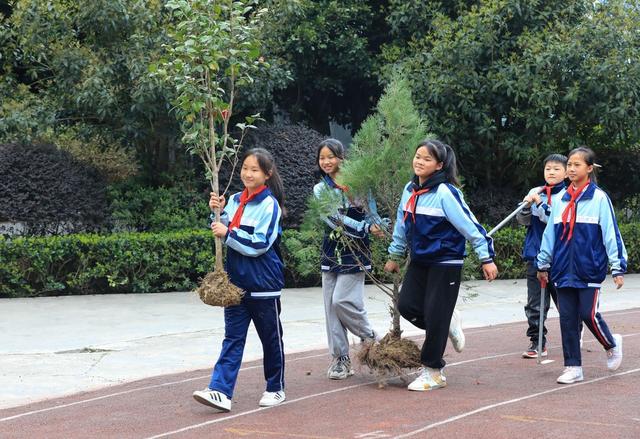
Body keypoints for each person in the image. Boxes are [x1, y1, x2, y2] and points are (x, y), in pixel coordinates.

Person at [384, 139, 498, 392]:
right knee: (407, 306)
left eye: (426, 159)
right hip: (420, 260)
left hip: (446, 261)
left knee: (436, 315)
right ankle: (448, 323)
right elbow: (402, 226)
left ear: (439, 165)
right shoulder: (410, 189)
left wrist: (486, 258)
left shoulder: (446, 193)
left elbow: (471, 226)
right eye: (417, 156)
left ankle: (434, 371)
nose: (419, 161)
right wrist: (395, 254)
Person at [193, 148, 286, 411]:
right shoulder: (234, 199)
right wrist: (217, 213)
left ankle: (275, 387)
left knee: (271, 338)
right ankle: (220, 390)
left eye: (254, 169)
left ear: (267, 175)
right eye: (245, 168)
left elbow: (259, 244)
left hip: (263, 286)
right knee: (232, 338)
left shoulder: (270, 206)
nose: (248, 173)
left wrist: (227, 232)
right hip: (235, 286)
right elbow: (221, 227)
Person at [537, 146, 627, 384]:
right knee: (567, 318)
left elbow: (611, 233)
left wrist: (617, 267)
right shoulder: (560, 200)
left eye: (577, 165)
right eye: (569, 165)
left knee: (588, 313)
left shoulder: (599, 198)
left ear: (589, 168)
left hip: (589, 268)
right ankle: (573, 366)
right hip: (562, 269)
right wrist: (543, 263)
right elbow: (550, 235)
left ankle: (611, 343)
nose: (571, 168)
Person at [314, 138, 385, 380]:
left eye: (330, 157)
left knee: (342, 300)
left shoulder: (359, 184)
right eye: (322, 158)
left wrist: (376, 225)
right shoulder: (320, 189)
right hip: (331, 248)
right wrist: (365, 228)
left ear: (341, 158)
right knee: (330, 307)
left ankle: (369, 337)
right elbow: (333, 220)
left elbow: (372, 212)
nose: (326, 162)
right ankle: (340, 359)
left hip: (356, 250)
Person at [516, 154, 567, 358]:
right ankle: (537, 341)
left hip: (560, 257)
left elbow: (555, 222)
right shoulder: (535, 191)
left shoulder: (567, 195)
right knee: (535, 303)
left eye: (556, 169)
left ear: (566, 172)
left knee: (565, 301)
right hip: (535, 255)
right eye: (548, 169)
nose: (551, 172)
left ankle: (574, 333)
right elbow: (522, 219)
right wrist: (527, 205)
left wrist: (539, 205)